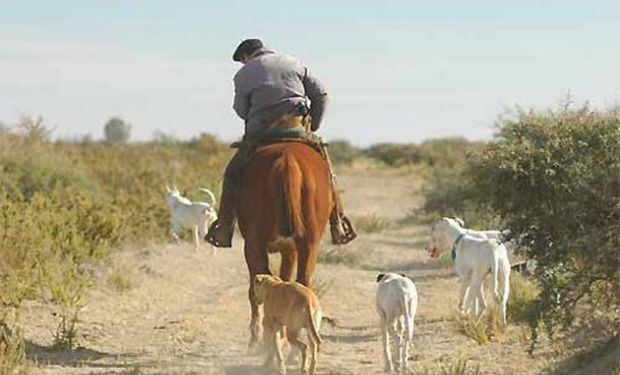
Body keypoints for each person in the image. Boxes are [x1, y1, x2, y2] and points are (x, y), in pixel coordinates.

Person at [205, 38, 356, 247]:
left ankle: (223, 227)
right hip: (297, 128)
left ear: (245, 57)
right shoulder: (293, 62)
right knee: (326, 169)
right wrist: (313, 127)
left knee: (233, 172)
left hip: (261, 133)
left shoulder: (243, 73)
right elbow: (321, 95)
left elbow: (240, 109)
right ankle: (338, 222)